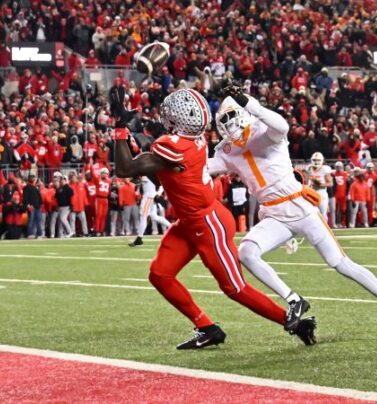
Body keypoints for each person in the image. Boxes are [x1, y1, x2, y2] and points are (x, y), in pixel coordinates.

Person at [110, 87, 316, 349]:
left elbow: (127, 168)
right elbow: (155, 165)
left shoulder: (169, 147)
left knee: (234, 288)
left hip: (209, 224)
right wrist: (132, 133)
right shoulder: (190, 141)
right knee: (160, 274)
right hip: (190, 222)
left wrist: (119, 128)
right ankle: (207, 328)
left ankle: (297, 323)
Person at [209, 87, 377, 343]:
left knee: (341, 264)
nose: (230, 129)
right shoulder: (227, 150)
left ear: (244, 113)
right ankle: (294, 299)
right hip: (273, 214)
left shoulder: (264, 130)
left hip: (299, 206)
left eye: (232, 119)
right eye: (224, 124)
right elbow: (203, 169)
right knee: (247, 253)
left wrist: (250, 102)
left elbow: (282, 126)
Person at [129, 176, 171, 247]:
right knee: (154, 217)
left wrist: (158, 193)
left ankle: (139, 238)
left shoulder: (150, 173)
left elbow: (162, 183)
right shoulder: (147, 174)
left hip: (148, 197)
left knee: (143, 216)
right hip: (151, 197)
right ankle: (172, 226)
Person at [306, 152, 333, 222]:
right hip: (311, 193)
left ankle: (324, 231)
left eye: (318, 160)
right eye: (315, 160)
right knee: (311, 214)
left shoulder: (325, 169)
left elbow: (330, 183)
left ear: (322, 160)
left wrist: (320, 184)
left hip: (321, 193)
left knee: (322, 214)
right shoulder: (309, 168)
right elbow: (307, 181)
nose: (316, 162)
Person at [24, 174, 43, 239]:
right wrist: (28, 205)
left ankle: (39, 234)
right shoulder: (26, 188)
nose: (34, 180)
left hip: (37, 207)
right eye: (33, 178)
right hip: (31, 207)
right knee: (31, 221)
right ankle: (30, 233)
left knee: (38, 220)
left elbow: (39, 197)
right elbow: (25, 198)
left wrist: (41, 204)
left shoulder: (35, 187)